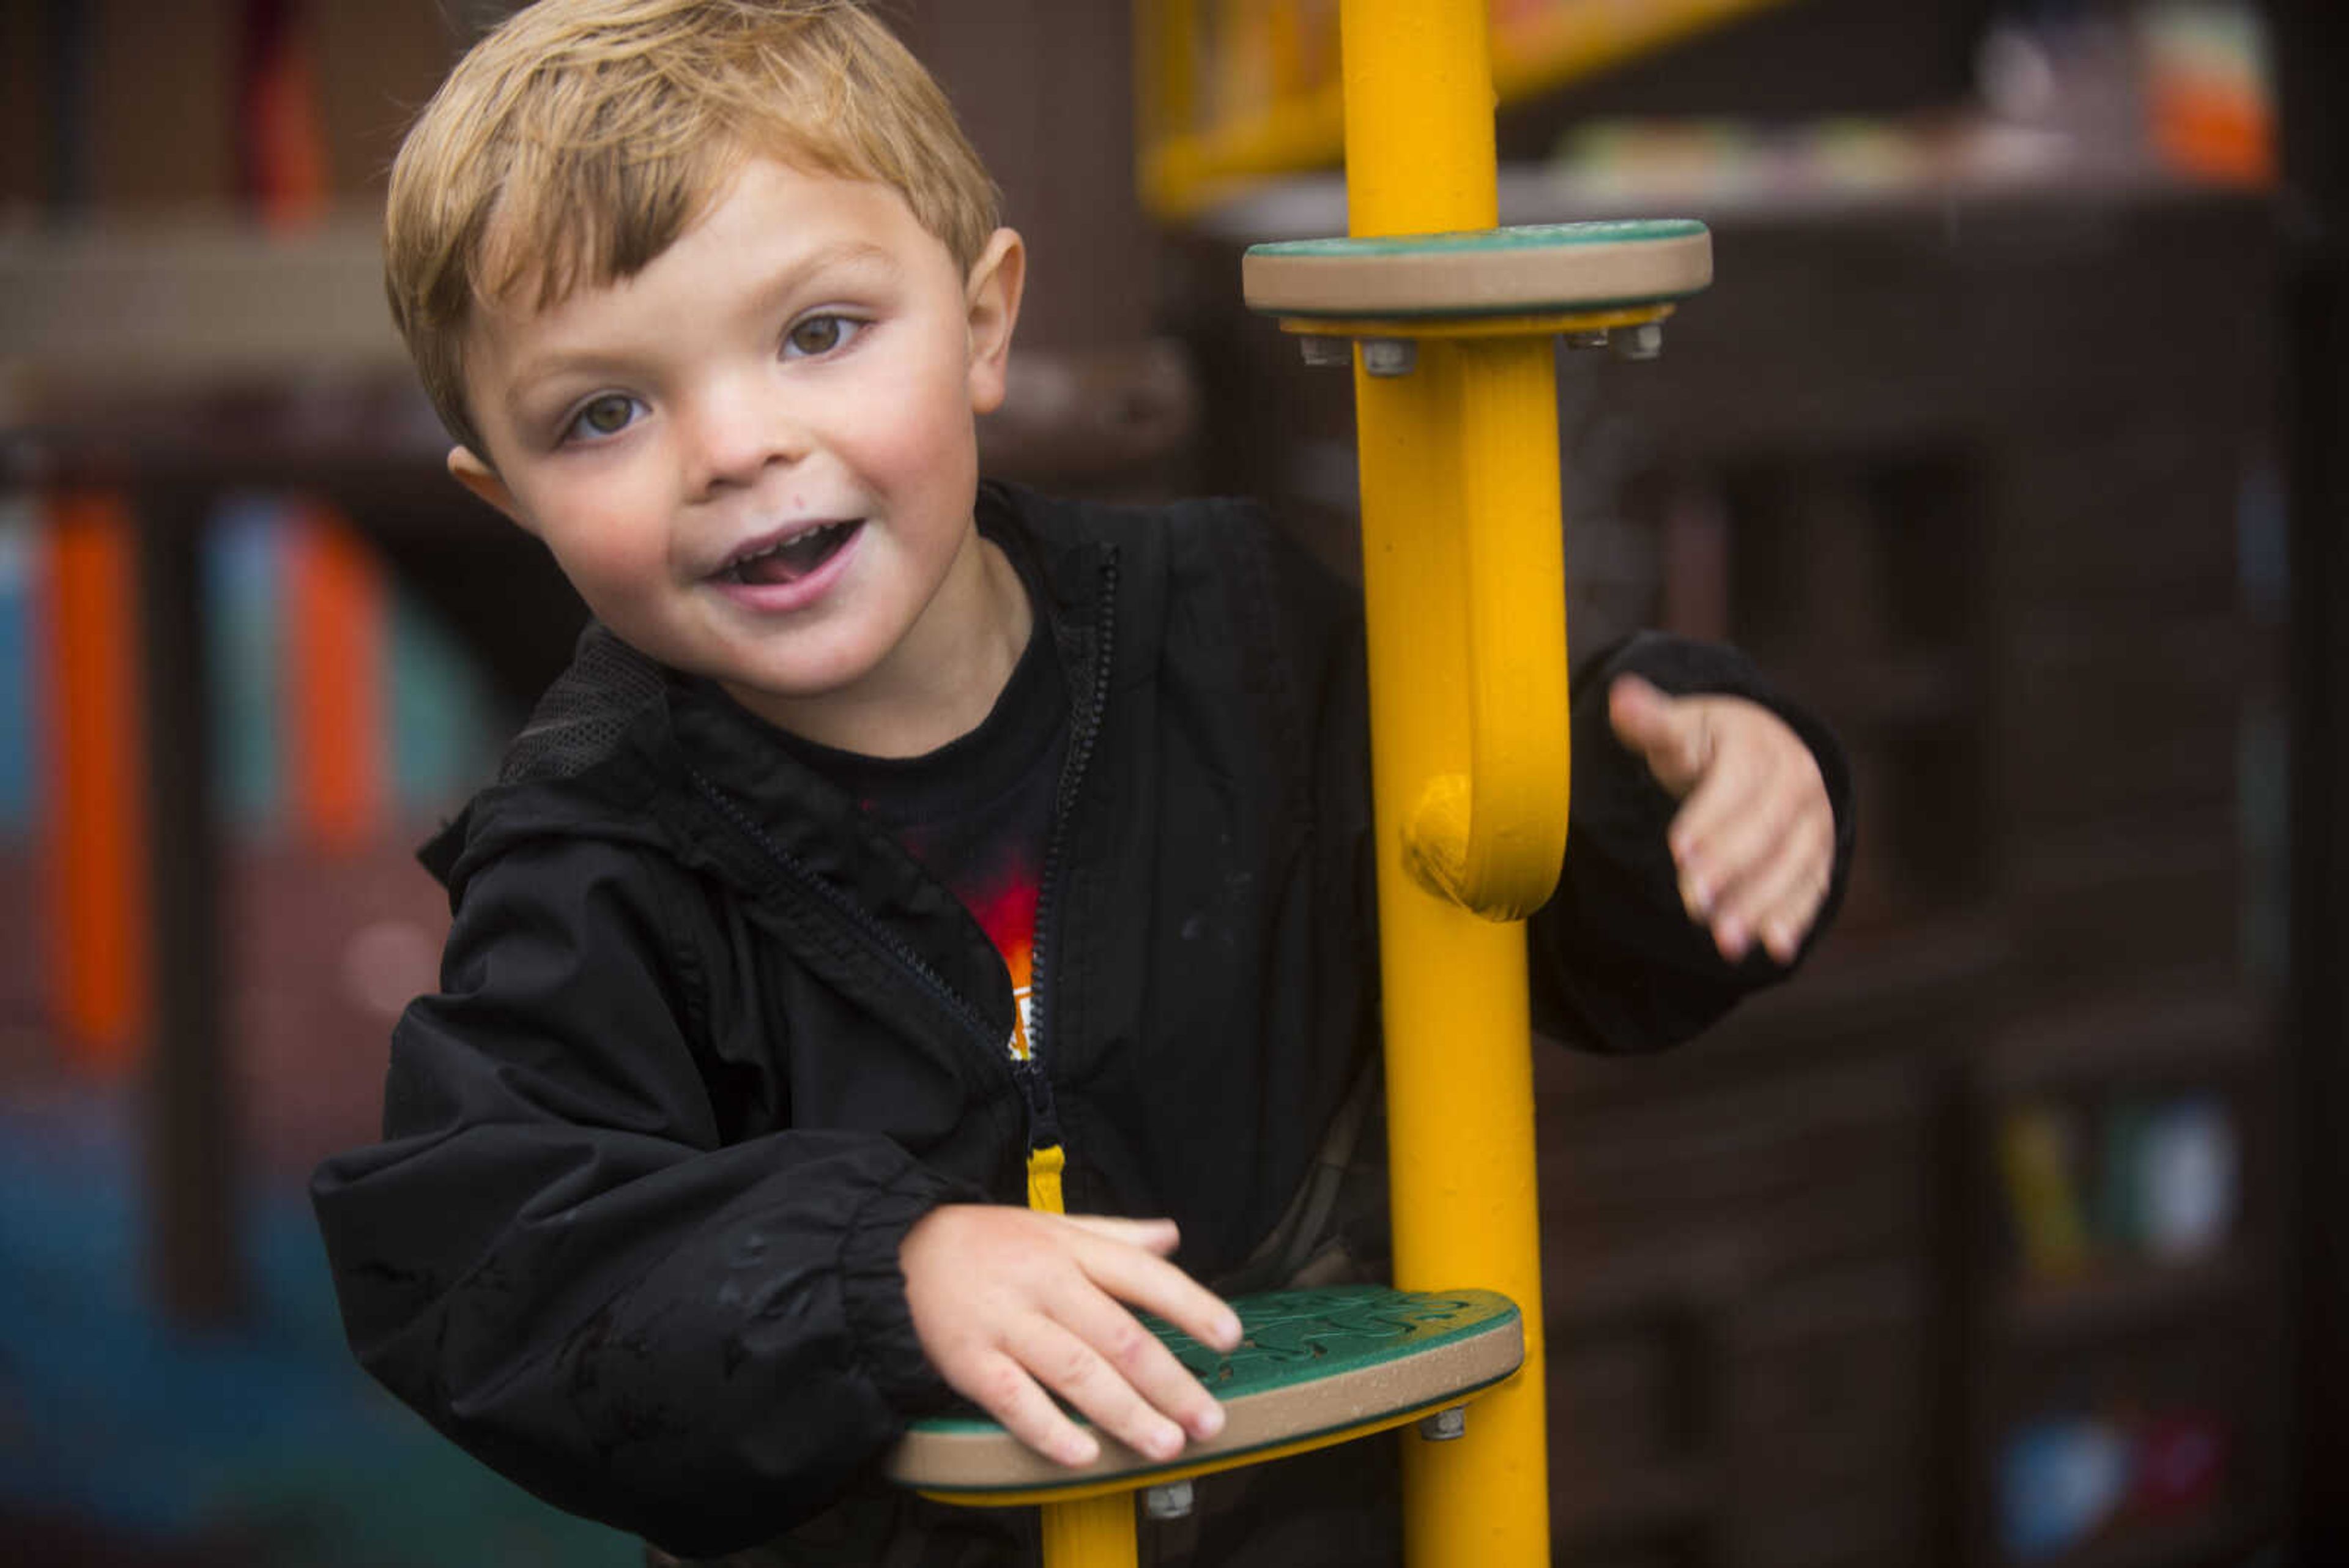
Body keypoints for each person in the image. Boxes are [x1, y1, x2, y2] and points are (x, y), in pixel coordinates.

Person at [310, 2, 1855, 1564]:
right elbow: (489, 1261)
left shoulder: (1237, 634)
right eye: (604, 413)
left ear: (985, 323)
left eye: (819, 332)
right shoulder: (591, 849)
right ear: (508, 500)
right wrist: (878, 1273)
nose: (734, 445)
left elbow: (1533, 882)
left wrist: (1696, 789)